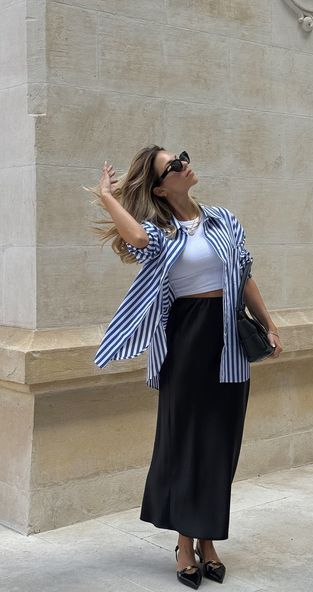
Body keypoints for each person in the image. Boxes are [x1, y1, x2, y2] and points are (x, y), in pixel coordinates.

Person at [84, 145, 283, 589]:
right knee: (186, 441)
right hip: (186, 340)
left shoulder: (225, 220)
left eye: (183, 157)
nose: (184, 165)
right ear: (160, 186)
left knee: (222, 442)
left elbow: (245, 276)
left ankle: (210, 540)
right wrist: (106, 197)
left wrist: (269, 323)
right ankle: (186, 543)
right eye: (173, 166)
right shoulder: (160, 232)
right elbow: (135, 239)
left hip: (228, 340)